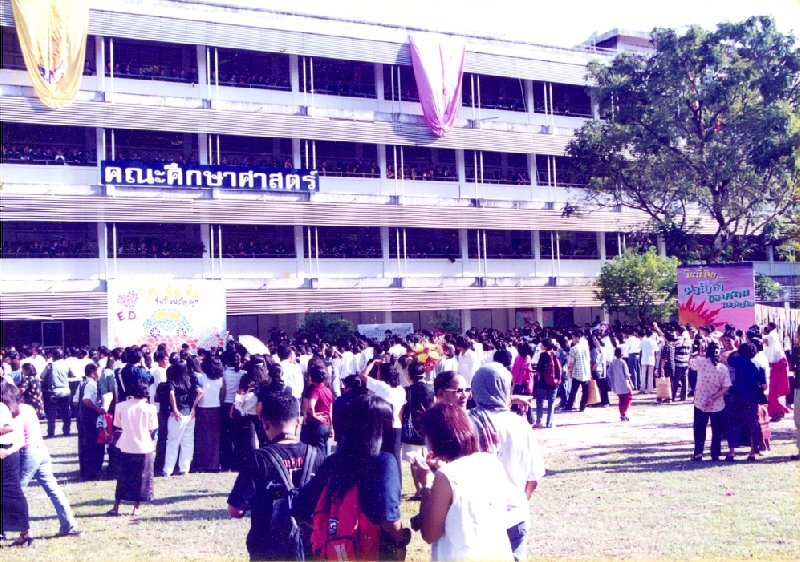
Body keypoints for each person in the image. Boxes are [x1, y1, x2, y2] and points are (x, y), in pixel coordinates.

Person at [295, 393, 410, 561]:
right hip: (376, 552)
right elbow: (388, 516)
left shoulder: (333, 462)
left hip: (338, 553)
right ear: (382, 429)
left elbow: (300, 506)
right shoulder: (384, 462)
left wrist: (331, 531)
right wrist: (401, 540)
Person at [411, 403, 514, 561]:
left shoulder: (446, 476)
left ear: (436, 438)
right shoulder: (491, 461)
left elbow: (429, 534)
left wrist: (425, 485)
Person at [227, 392, 324, 561]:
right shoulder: (317, 455)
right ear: (297, 422)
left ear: (265, 424)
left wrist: (272, 496)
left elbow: (236, 509)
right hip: (310, 548)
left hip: (268, 549)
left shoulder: (258, 459)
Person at [468, 364, 545, 562]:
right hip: (515, 514)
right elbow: (534, 477)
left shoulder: (467, 423)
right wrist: (520, 503)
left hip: (476, 517)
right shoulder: (519, 424)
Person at [16, 383, 81, 536]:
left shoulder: (15, 413)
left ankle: (24, 532)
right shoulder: (28, 408)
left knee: (14, 493)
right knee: (53, 489)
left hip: (28, 452)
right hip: (41, 450)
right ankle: (69, 525)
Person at [108, 373, 158, 517]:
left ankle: (116, 506)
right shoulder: (150, 408)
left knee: (123, 477)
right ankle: (136, 507)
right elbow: (152, 427)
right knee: (142, 478)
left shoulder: (120, 406)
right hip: (144, 446)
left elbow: (118, 424)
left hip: (125, 445)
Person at [360, 359, 407, 483]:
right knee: (396, 457)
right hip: (397, 425)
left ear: (382, 374)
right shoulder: (401, 390)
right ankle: (397, 484)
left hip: (382, 426)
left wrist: (372, 363)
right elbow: (401, 411)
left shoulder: (381, 386)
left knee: (380, 455)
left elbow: (363, 375)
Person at [0, 381, 33, 547]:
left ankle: (26, 533)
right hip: (8, 452)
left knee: (12, 493)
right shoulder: (9, 407)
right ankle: (24, 533)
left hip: (6, 452)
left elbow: (9, 428)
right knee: (12, 492)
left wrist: (7, 451)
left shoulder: (3, 408)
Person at [723, 342, 767, 461]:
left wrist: (735, 351)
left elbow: (729, 359)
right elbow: (764, 386)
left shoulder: (738, 361)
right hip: (752, 398)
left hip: (737, 395)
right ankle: (752, 452)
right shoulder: (760, 366)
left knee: (733, 423)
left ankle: (732, 452)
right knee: (752, 424)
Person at [688, 341, 731, 462]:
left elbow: (690, 362)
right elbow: (726, 386)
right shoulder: (723, 368)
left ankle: (698, 453)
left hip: (700, 401)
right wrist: (713, 398)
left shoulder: (700, 362)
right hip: (717, 402)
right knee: (717, 430)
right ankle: (715, 453)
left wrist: (698, 353)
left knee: (699, 429)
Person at [161, 360, 203, 476]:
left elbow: (171, 394)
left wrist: (174, 409)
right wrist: (193, 407)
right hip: (189, 414)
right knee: (187, 442)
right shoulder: (189, 380)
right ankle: (184, 468)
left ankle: (168, 469)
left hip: (177, 415)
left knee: (173, 442)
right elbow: (200, 392)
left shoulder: (172, 381)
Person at [401, 359, 434, 498]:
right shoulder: (431, 389)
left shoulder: (407, 391)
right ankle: (429, 486)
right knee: (428, 459)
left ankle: (419, 489)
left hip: (413, 428)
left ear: (409, 375)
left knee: (414, 462)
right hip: (429, 428)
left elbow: (404, 410)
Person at [194, 356, 224, 472]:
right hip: (216, 408)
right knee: (215, 437)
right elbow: (222, 395)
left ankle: (203, 463)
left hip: (203, 409)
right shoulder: (220, 380)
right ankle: (214, 464)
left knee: (203, 437)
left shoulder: (201, 378)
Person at [76, 363, 106, 479]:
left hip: (81, 417)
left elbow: (75, 401)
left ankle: (84, 471)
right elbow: (86, 400)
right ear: (93, 373)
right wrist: (97, 408)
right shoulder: (92, 384)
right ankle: (92, 472)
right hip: (90, 417)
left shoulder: (82, 383)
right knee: (92, 444)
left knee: (83, 445)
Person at [300, 364, 334, 453]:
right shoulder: (328, 390)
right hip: (326, 424)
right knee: (325, 451)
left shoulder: (316, 391)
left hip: (317, 425)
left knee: (317, 452)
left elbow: (311, 405)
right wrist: (331, 427)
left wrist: (314, 414)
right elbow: (330, 411)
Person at [221, 352, 245, 471]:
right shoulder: (243, 373)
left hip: (226, 404)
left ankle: (226, 463)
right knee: (238, 435)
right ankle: (237, 463)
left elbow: (223, 390)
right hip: (238, 405)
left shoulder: (224, 374)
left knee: (226, 436)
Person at [42, 347, 72, 438]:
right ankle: (66, 431)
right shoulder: (67, 365)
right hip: (66, 391)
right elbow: (72, 374)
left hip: (54, 392)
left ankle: (51, 433)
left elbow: (42, 376)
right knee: (65, 412)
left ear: (53, 356)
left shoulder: (50, 366)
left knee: (52, 413)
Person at [764, 322, 791, 420]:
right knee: (772, 395)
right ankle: (776, 412)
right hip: (772, 373)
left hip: (776, 375)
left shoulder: (778, 351)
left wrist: (773, 365)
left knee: (774, 394)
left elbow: (784, 363)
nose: (766, 342)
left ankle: (778, 412)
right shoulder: (769, 349)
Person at [534, 340, 560, 428]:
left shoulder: (543, 355)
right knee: (551, 403)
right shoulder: (556, 354)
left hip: (543, 382)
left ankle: (539, 421)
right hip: (554, 382)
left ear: (545, 346)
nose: (540, 346)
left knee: (540, 402)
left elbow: (539, 368)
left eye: (542, 345)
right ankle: (549, 423)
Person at [564, 332, 591, 412]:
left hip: (577, 372)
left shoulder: (573, 349)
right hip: (585, 372)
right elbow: (588, 360)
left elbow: (572, 362)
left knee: (573, 391)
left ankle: (569, 406)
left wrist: (570, 371)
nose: (572, 339)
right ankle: (582, 407)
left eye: (573, 337)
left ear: (577, 338)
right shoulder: (585, 348)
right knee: (585, 391)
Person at [606, 348, 633, 421]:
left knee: (621, 400)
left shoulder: (612, 363)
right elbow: (626, 374)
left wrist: (614, 378)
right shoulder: (623, 362)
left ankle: (622, 415)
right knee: (629, 398)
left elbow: (608, 372)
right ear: (622, 354)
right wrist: (630, 383)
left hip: (617, 384)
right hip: (624, 384)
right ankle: (624, 413)